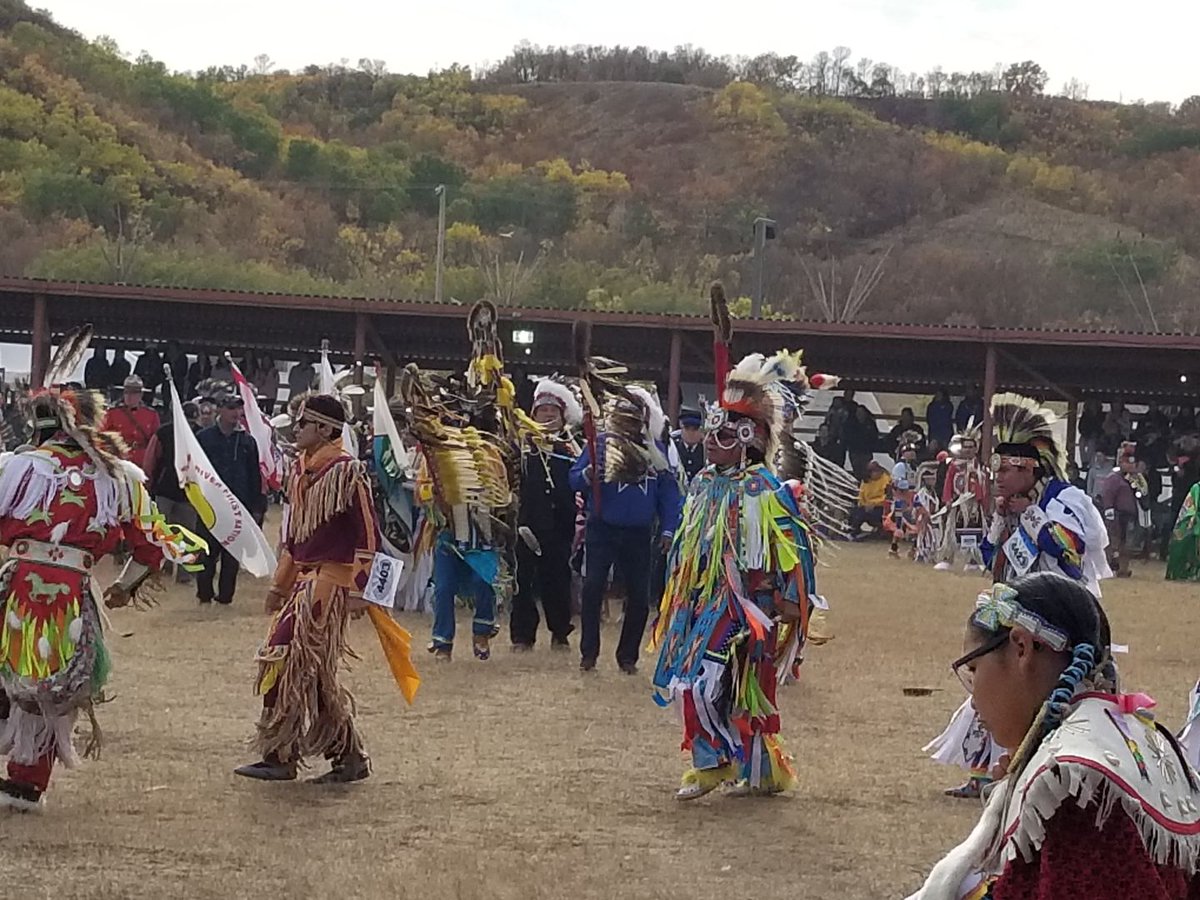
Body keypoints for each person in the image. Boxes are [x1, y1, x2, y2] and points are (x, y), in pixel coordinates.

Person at [906, 573, 1200, 900]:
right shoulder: (1146, 739)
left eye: (974, 669)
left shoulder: (1072, 783)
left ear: (1022, 648)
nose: (973, 699)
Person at [0, 372, 203, 810]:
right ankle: (26, 782)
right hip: (70, 593)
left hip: (18, 586)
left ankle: (22, 778)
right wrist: (125, 588)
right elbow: (151, 547)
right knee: (51, 687)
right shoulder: (119, 479)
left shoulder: (17, 466)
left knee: (17, 677)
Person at [649, 349, 834, 800]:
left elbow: (791, 552)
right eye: (713, 431)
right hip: (703, 599)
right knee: (694, 678)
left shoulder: (765, 488)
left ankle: (759, 769)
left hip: (751, 604)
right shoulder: (702, 482)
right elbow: (689, 547)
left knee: (743, 685)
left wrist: (788, 599)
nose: (712, 440)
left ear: (750, 437)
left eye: (726, 433)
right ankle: (712, 763)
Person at [927, 392, 1112, 800]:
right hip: (1014, 608)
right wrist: (999, 520)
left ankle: (1041, 769)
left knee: (1045, 695)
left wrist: (1030, 514)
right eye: (998, 467)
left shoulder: (1066, 499)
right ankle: (983, 773)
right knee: (990, 679)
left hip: (1058, 616)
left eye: (1009, 468)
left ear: (1033, 468)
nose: (1000, 476)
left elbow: (1071, 552)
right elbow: (993, 559)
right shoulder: (1008, 506)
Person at [234, 394, 383, 784]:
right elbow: (295, 538)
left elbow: (369, 535)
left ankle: (282, 755)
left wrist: (359, 590)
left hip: (330, 584)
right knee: (308, 672)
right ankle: (344, 756)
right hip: (303, 581)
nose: (296, 430)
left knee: (287, 660)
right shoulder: (302, 472)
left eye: (302, 424)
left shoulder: (347, 472)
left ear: (325, 429)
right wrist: (279, 585)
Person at [569, 387, 682, 674]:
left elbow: (669, 494)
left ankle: (627, 657)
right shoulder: (601, 444)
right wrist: (587, 475)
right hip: (602, 528)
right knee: (593, 587)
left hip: (639, 533)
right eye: (626, 416)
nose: (631, 422)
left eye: (636, 417)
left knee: (639, 596)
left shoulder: (656, 450)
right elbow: (573, 479)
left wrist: (668, 530)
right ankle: (589, 652)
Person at [511, 379, 581, 651]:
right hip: (527, 523)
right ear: (533, 415)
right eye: (543, 411)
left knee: (557, 580)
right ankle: (522, 636)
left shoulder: (572, 448)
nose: (549, 415)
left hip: (559, 524)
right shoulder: (521, 446)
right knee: (523, 581)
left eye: (554, 411)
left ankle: (560, 632)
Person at [195, 394, 265, 605]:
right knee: (207, 552)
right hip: (210, 504)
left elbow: (254, 474)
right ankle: (204, 594)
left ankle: (226, 595)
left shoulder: (247, 441)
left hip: (238, 505)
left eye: (238, 408)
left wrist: (257, 505)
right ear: (220, 410)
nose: (236, 413)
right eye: (231, 408)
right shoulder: (204, 438)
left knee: (232, 553)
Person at [143, 400, 200, 581]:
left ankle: (183, 573)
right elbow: (151, 460)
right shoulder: (165, 433)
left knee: (184, 534)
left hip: (187, 493)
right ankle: (163, 568)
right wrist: (149, 483)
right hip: (168, 490)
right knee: (164, 532)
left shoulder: (200, 435)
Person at [934, 420, 987, 572]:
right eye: (966, 447)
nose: (968, 450)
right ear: (961, 448)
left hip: (974, 504)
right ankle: (946, 558)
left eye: (971, 447)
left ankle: (973, 560)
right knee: (951, 530)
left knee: (974, 530)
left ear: (976, 449)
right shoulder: (954, 465)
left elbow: (984, 485)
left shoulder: (979, 466)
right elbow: (948, 483)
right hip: (957, 503)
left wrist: (983, 502)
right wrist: (948, 499)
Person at [1097, 442, 1144, 578]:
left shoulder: (1135, 479)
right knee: (1113, 542)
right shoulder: (1113, 478)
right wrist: (1109, 510)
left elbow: (1142, 494)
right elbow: (1108, 494)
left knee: (1127, 543)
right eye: (1126, 463)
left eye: (1131, 463)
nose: (1129, 465)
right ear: (1121, 463)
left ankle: (1124, 568)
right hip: (1116, 514)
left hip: (1129, 514)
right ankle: (1108, 567)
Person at [99, 375, 160, 471]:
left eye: (133, 393)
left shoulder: (151, 415)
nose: (128, 396)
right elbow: (102, 436)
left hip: (142, 461)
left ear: (140, 395)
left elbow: (156, 442)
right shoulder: (113, 413)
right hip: (120, 459)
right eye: (126, 392)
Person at [886, 433, 922, 558]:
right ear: (903, 453)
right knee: (900, 524)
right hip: (901, 499)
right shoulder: (900, 466)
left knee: (919, 522)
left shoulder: (915, 467)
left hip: (913, 498)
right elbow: (898, 483)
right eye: (909, 451)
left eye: (913, 451)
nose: (912, 453)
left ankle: (914, 549)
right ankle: (894, 549)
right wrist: (907, 485)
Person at [849, 460, 891, 535]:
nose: (877, 473)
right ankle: (854, 530)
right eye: (873, 471)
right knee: (856, 512)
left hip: (880, 506)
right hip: (866, 505)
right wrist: (864, 504)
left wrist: (874, 503)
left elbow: (887, 497)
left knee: (872, 513)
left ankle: (880, 529)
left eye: (877, 471)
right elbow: (861, 496)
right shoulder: (866, 481)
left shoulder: (886, 479)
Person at [843, 402, 880, 481]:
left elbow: (874, 436)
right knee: (857, 471)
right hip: (854, 450)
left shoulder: (870, 424)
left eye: (861, 412)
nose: (859, 414)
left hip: (866, 451)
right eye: (858, 412)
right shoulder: (852, 423)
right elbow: (847, 435)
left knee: (866, 471)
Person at [670, 406, 706, 482]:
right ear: (681, 427)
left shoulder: (706, 450)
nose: (690, 433)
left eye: (695, 429)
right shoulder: (673, 447)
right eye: (687, 428)